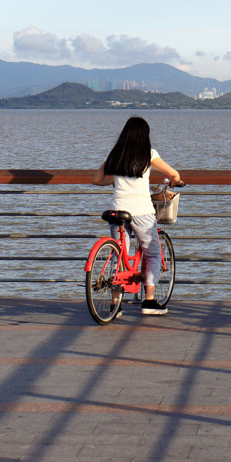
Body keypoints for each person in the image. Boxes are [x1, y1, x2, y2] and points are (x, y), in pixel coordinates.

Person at [91, 116, 183, 315]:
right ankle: (149, 301)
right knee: (153, 254)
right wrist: (175, 182)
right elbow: (174, 174)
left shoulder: (116, 155)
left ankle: (116, 304)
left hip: (117, 212)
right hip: (141, 212)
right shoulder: (148, 154)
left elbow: (96, 179)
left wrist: (114, 183)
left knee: (118, 255)